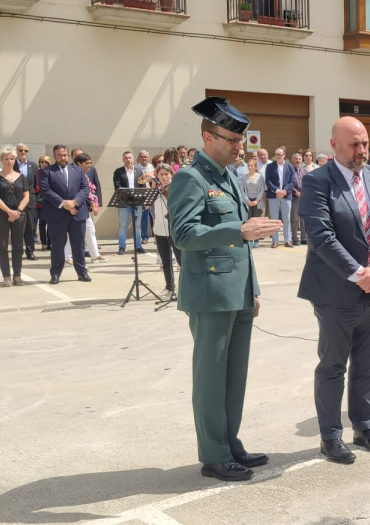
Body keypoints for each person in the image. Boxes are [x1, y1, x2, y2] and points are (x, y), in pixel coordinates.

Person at [167, 97, 283, 481]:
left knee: (234, 376)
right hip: (210, 293)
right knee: (211, 377)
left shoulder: (227, 175)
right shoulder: (191, 177)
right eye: (232, 140)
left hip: (238, 292)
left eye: (241, 140)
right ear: (208, 136)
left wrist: (254, 290)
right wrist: (239, 229)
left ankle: (229, 443)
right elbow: (183, 234)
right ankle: (213, 455)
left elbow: (243, 244)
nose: (239, 147)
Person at [297, 116, 370, 463]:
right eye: (354, 144)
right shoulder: (317, 182)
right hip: (336, 294)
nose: (362, 151)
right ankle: (330, 436)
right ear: (335, 146)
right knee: (332, 367)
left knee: (367, 365)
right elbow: (322, 237)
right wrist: (361, 274)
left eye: (365, 144)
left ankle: (365, 426)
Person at [38, 145, 91, 284]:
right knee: (57, 245)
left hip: (77, 213)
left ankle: (82, 272)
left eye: (65, 155)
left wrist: (74, 202)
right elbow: (46, 190)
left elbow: (85, 189)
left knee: (78, 245)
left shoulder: (78, 170)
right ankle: (55, 273)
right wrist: (63, 203)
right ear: (54, 156)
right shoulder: (46, 171)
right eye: (60, 155)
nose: (63, 158)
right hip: (56, 214)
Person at [0, 147, 30, 286]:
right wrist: (8, 211)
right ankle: (6, 276)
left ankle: (17, 276)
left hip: (19, 215)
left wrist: (17, 211)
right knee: (2, 245)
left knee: (18, 245)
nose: (9, 161)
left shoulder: (21, 177)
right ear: (1, 160)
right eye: (6, 159)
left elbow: (26, 196)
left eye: (12, 158)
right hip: (1, 214)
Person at [63, 153, 105, 265]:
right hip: (75, 207)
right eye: (87, 163)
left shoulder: (83, 175)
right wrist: (72, 206)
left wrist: (93, 203)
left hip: (83, 207)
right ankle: (66, 256)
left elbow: (88, 192)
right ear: (79, 163)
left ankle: (94, 255)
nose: (89, 165)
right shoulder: (72, 174)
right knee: (76, 232)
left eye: (90, 163)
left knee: (89, 230)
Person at [152, 164, 181, 299]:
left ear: (171, 175)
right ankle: (169, 287)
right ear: (157, 176)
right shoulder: (154, 190)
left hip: (174, 229)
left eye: (167, 174)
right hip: (159, 229)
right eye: (161, 174)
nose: (164, 177)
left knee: (181, 260)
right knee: (166, 260)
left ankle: (186, 287)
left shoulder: (176, 188)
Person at [113, 151, 147, 255]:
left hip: (137, 202)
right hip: (124, 202)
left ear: (133, 159)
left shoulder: (139, 171)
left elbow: (143, 186)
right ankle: (122, 247)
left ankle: (138, 246)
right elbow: (117, 187)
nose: (128, 160)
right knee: (123, 225)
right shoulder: (118, 172)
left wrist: (141, 198)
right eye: (126, 158)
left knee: (137, 225)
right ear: (123, 160)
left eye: (130, 158)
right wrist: (128, 196)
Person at [265, 146, 297, 248]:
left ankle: (287, 240)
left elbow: (293, 181)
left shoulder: (290, 166)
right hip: (274, 196)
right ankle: (275, 241)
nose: (278, 156)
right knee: (274, 219)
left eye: (280, 154)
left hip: (286, 196)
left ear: (284, 155)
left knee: (286, 219)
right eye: (276, 154)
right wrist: (277, 190)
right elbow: (268, 181)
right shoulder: (270, 166)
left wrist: (285, 191)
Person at [14, 144, 40, 261]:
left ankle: (30, 251)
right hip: (15, 201)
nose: (23, 152)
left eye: (26, 151)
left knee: (30, 228)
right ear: (17, 152)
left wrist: (35, 198)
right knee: (16, 228)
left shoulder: (33, 165)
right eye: (21, 150)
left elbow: (36, 184)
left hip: (29, 201)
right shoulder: (11, 164)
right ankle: (17, 251)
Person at [289, 152, 308, 246]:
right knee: (295, 219)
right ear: (292, 160)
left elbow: (308, 183)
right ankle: (295, 238)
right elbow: (288, 183)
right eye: (296, 159)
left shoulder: (305, 171)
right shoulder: (290, 170)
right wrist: (295, 192)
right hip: (294, 197)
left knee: (304, 219)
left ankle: (304, 238)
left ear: (302, 160)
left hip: (304, 197)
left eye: (299, 159)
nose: (298, 161)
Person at [35, 155, 52, 251]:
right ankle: (44, 243)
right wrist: (42, 188)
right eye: (42, 162)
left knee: (50, 223)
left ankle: (50, 242)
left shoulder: (52, 172)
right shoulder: (37, 173)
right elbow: (34, 186)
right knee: (42, 223)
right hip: (39, 202)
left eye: (46, 162)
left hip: (49, 201)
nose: (44, 164)